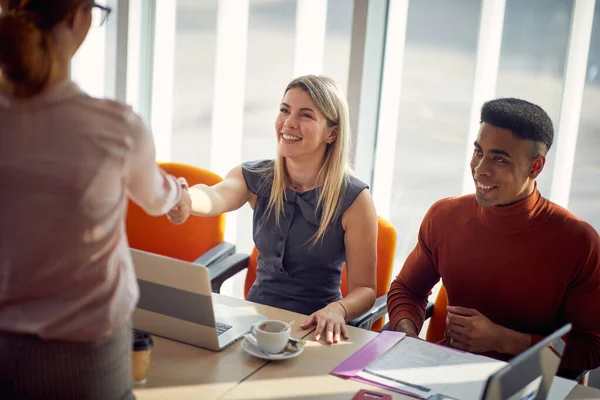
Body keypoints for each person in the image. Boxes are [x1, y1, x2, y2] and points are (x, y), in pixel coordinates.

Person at [0, 1, 190, 399]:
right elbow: (158, 199)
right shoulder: (114, 127)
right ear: (76, 16)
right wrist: (178, 194)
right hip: (86, 358)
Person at [387, 98, 600, 376]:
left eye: (499, 158)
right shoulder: (444, 216)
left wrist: (503, 340)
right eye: (478, 151)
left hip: (529, 385)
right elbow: (407, 289)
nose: (480, 168)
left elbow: (593, 347)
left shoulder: (578, 241)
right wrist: (408, 337)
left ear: (535, 167)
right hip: (445, 375)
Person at [168, 75, 378, 345]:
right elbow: (215, 195)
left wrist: (339, 309)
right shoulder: (256, 177)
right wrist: (185, 198)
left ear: (332, 132)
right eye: (284, 110)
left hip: (315, 328)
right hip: (255, 322)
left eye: (305, 115)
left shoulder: (355, 199)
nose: (288, 123)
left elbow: (366, 290)